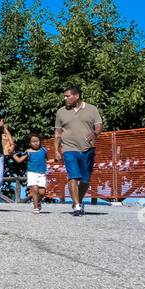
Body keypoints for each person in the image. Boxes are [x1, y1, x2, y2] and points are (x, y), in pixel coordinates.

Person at [55, 85, 103, 217]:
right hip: (69, 148)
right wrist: (56, 150)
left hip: (88, 148)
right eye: (64, 96)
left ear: (76, 96)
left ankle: (79, 200)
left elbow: (99, 125)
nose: (65, 98)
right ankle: (76, 205)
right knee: (73, 176)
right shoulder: (61, 112)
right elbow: (58, 133)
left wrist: (95, 133)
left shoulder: (92, 109)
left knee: (85, 180)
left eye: (67, 96)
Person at [13, 133, 48, 213]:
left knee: (42, 192)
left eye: (37, 141)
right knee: (35, 190)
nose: (36, 143)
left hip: (42, 173)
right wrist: (12, 154)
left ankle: (37, 201)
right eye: (33, 141)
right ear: (29, 143)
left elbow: (46, 160)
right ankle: (35, 207)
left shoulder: (44, 150)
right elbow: (19, 160)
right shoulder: (28, 152)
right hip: (32, 173)